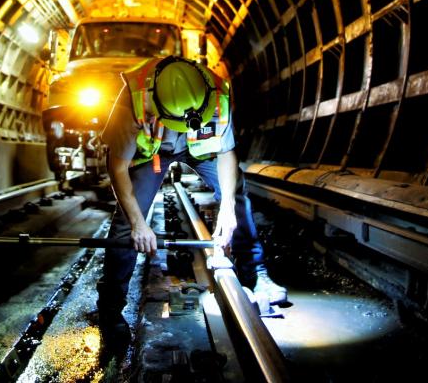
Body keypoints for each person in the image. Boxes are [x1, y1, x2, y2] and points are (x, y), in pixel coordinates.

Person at [95, 55, 286, 341]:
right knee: (126, 224)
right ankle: (110, 309)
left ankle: (256, 274)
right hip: (155, 152)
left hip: (201, 148)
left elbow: (225, 153)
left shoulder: (218, 92)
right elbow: (117, 166)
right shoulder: (132, 98)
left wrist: (227, 211)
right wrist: (139, 223)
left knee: (236, 198)